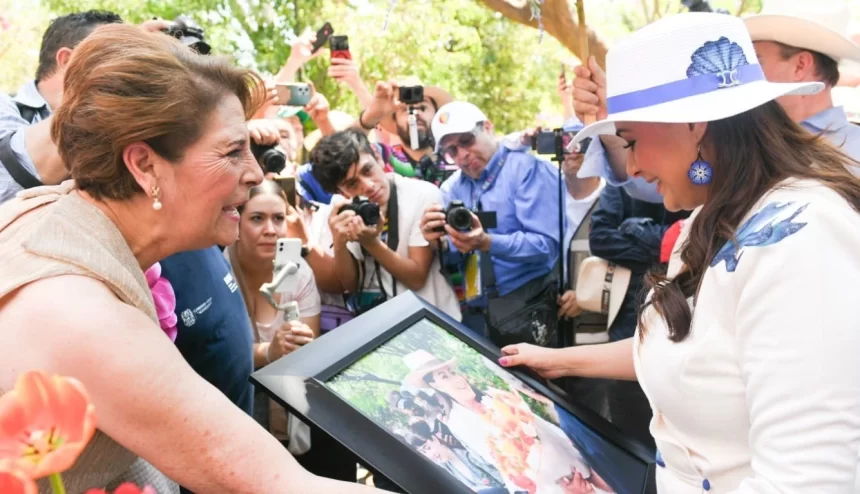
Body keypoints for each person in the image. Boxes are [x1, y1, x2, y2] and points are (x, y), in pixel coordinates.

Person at [0, 24, 381, 494]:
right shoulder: (83, 318)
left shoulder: (46, 211)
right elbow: (280, 485)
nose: (255, 173)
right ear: (144, 165)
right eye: (231, 151)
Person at [500, 12, 860, 493]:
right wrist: (558, 361)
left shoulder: (801, 238)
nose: (629, 164)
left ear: (695, 123)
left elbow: (808, 480)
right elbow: (695, 348)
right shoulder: (709, 220)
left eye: (629, 139)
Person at [574, 0, 860, 208]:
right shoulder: (733, 144)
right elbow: (657, 185)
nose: (742, 68)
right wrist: (617, 124)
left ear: (801, 65)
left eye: (754, 59)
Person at [419, 101, 564, 343]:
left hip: (531, 302)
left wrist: (488, 242)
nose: (462, 155)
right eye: (452, 151)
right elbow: (454, 255)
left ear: (487, 127)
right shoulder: (451, 188)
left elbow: (546, 247)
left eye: (466, 140)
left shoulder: (525, 169)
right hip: (479, 311)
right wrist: (439, 243)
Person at [0, 10, 171, 203]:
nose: (125, 64)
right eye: (113, 54)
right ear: (67, 60)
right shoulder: (5, 107)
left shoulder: (118, 118)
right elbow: (9, 178)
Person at [310, 129, 461, 320]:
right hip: (379, 324)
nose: (368, 186)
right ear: (339, 191)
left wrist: (371, 243)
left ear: (378, 158)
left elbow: (416, 278)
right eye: (352, 184)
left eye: (367, 170)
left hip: (430, 318)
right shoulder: (343, 209)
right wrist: (339, 243)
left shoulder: (422, 195)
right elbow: (350, 284)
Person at [355, 78, 456, 184]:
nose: (415, 114)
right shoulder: (381, 157)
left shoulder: (456, 156)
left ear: (436, 114)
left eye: (422, 108)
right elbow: (342, 152)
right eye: (405, 110)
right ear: (395, 120)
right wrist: (370, 116)